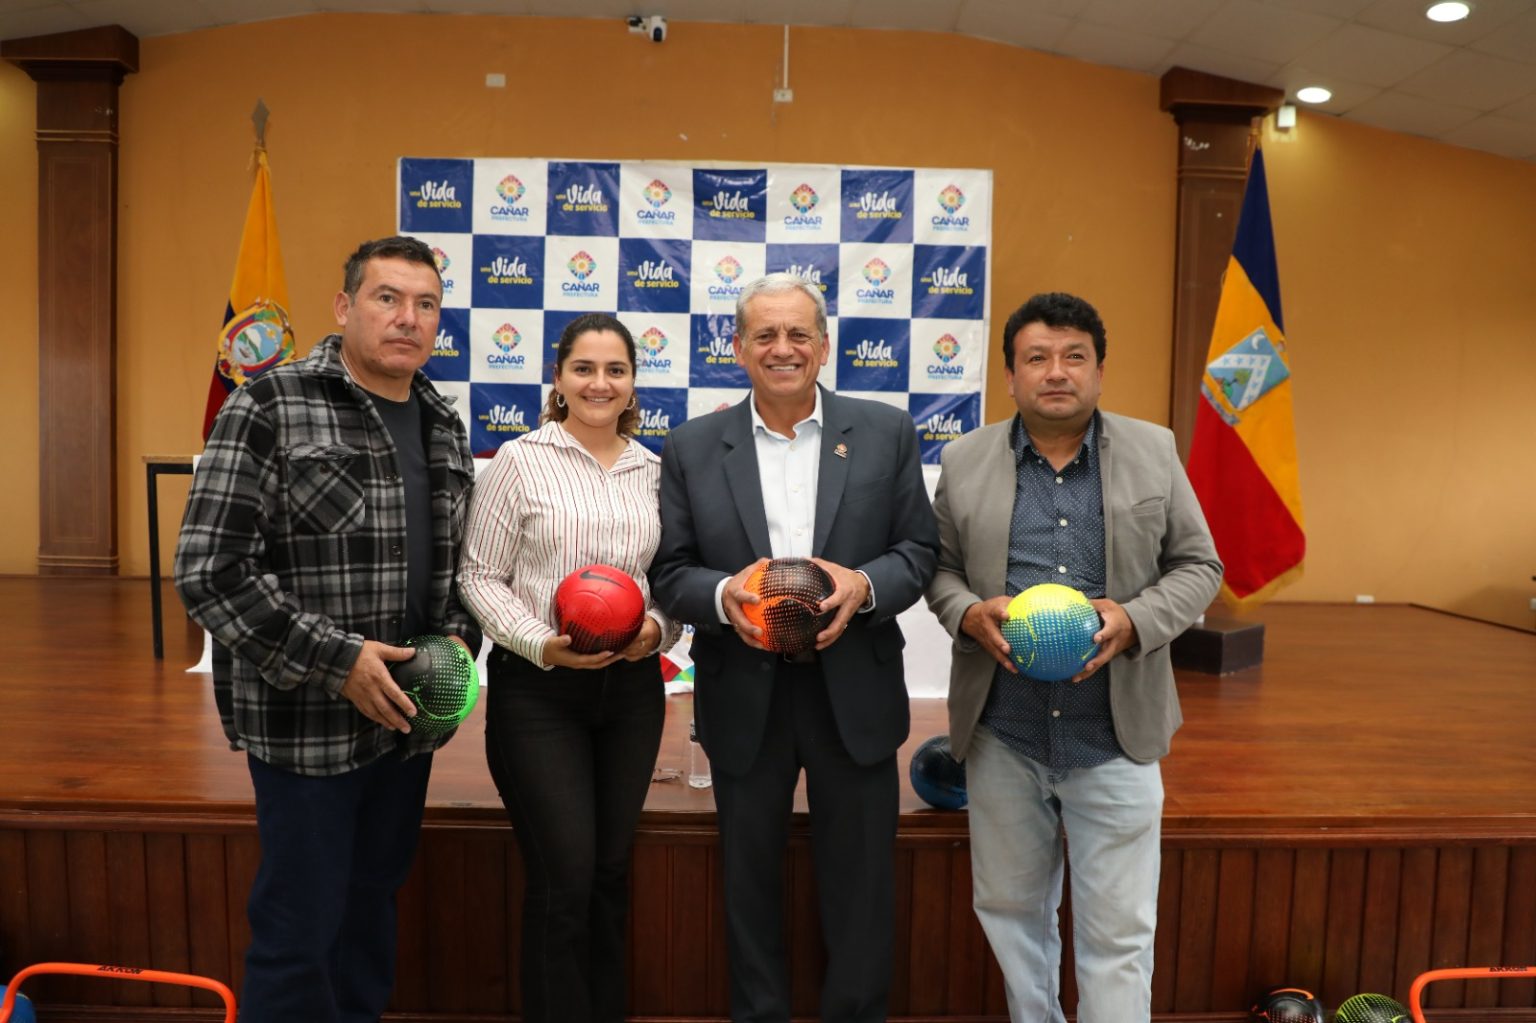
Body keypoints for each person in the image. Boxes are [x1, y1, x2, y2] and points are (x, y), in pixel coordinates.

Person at [174, 235, 482, 1023]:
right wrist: (338, 659)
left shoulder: (442, 420)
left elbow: (454, 571)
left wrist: (456, 642)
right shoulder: (269, 405)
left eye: (425, 304)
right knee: (299, 932)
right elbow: (209, 570)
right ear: (345, 307)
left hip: (404, 727)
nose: (407, 318)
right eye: (387, 298)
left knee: (369, 918)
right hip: (304, 727)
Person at [924, 291, 1222, 1023]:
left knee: (1118, 933)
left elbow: (1199, 565)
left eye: (1073, 356)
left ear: (1099, 370)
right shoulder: (963, 459)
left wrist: (1135, 618)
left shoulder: (1154, 450)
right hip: (1003, 732)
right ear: (1010, 375)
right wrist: (968, 613)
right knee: (1010, 912)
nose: (1056, 371)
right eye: (1037, 357)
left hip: (1114, 733)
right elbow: (939, 570)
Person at [650, 272, 939, 1023]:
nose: (783, 348)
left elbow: (918, 551)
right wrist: (725, 595)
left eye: (798, 334)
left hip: (856, 691)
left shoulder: (885, 431)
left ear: (825, 346)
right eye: (765, 335)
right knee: (748, 886)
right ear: (738, 347)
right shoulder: (690, 446)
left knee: (862, 885)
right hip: (743, 691)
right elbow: (670, 572)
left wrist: (862, 585)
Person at [457, 312, 678, 1023]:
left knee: (610, 873)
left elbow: (670, 581)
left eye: (615, 370)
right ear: (557, 378)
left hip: (633, 694)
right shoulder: (518, 461)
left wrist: (656, 630)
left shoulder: (656, 471)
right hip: (539, 695)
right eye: (584, 368)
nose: (599, 383)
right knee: (566, 875)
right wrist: (539, 642)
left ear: (633, 383)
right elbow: (478, 576)